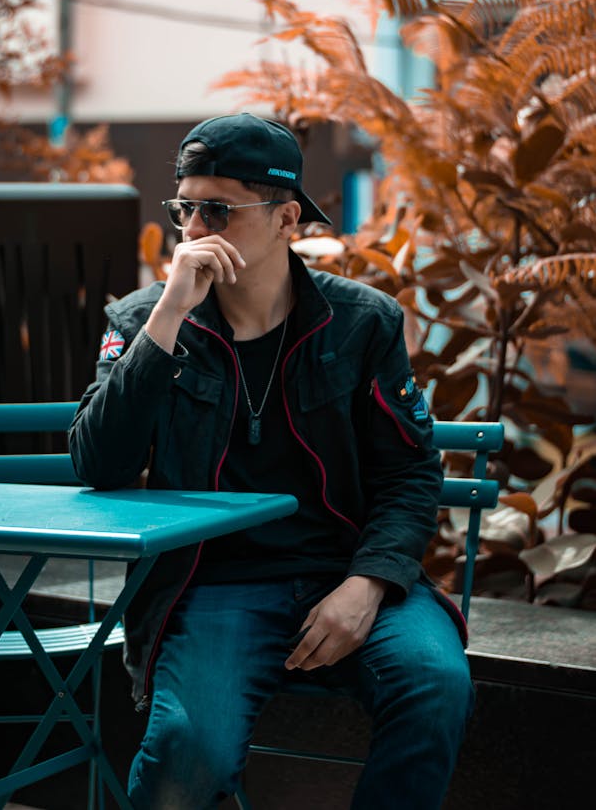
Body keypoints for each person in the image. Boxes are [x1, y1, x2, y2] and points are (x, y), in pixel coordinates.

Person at [69, 113, 474, 810]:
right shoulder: (144, 321)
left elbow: (410, 472)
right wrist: (168, 315)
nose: (194, 228)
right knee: (186, 749)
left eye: (217, 209)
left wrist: (369, 582)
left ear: (288, 217)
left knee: (434, 681)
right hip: (214, 587)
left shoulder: (361, 323)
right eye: (183, 207)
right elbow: (99, 463)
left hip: (347, 575)